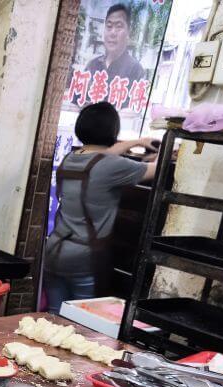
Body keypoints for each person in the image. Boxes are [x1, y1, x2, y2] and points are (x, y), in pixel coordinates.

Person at [43, 101, 157, 314]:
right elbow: (155, 169)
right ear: (112, 131)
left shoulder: (70, 158)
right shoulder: (112, 166)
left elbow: (101, 156)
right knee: (81, 320)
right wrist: (156, 154)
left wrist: (138, 141)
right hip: (83, 257)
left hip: (54, 250)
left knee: (54, 316)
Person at [84, 3, 145, 96]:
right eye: (109, 26)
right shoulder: (92, 65)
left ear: (128, 32)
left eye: (119, 26)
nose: (112, 33)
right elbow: (77, 99)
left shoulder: (136, 70)